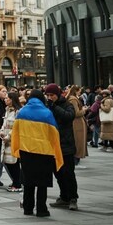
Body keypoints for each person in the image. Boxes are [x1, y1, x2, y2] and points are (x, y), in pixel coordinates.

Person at [11, 90, 64, 217]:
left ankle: (28, 208)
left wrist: (17, 148)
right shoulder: (47, 113)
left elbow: (15, 132)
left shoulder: (22, 112)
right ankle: (41, 209)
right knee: (42, 183)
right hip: (43, 152)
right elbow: (54, 134)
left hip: (26, 151)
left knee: (28, 182)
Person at [45, 83, 79, 211]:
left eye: (52, 95)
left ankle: (72, 198)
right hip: (53, 145)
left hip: (66, 145)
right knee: (58, 173)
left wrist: (54, 107)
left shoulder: (67, 104)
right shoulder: (48, 106)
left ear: (57, 94)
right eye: (47, 95)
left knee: (68, 173)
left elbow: (69, 116)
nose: (49, 97)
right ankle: (64, 196)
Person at [0, 91, 22, 193]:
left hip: (14, 140)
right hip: (6, 140)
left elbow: (17, 127)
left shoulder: (18, 111)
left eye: (7, 98)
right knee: (8, 162)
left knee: (14, 163)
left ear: (12, 99)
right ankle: (15, 181)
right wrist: (1, 132)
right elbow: (4, 124)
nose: (5, 99)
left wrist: (8, 136)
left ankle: (17, 183)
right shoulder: (7, 110)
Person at [67, 85, 88, 166]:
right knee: (78, 140)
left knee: (78, 140)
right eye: (79, 90)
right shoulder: (73, 100)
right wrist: (84, 110)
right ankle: (76, 158)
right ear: (76, 91)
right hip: (77, 123)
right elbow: (76, 113)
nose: (80, 92)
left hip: (77, 123)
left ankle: (76, 158)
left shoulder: (72, 99)